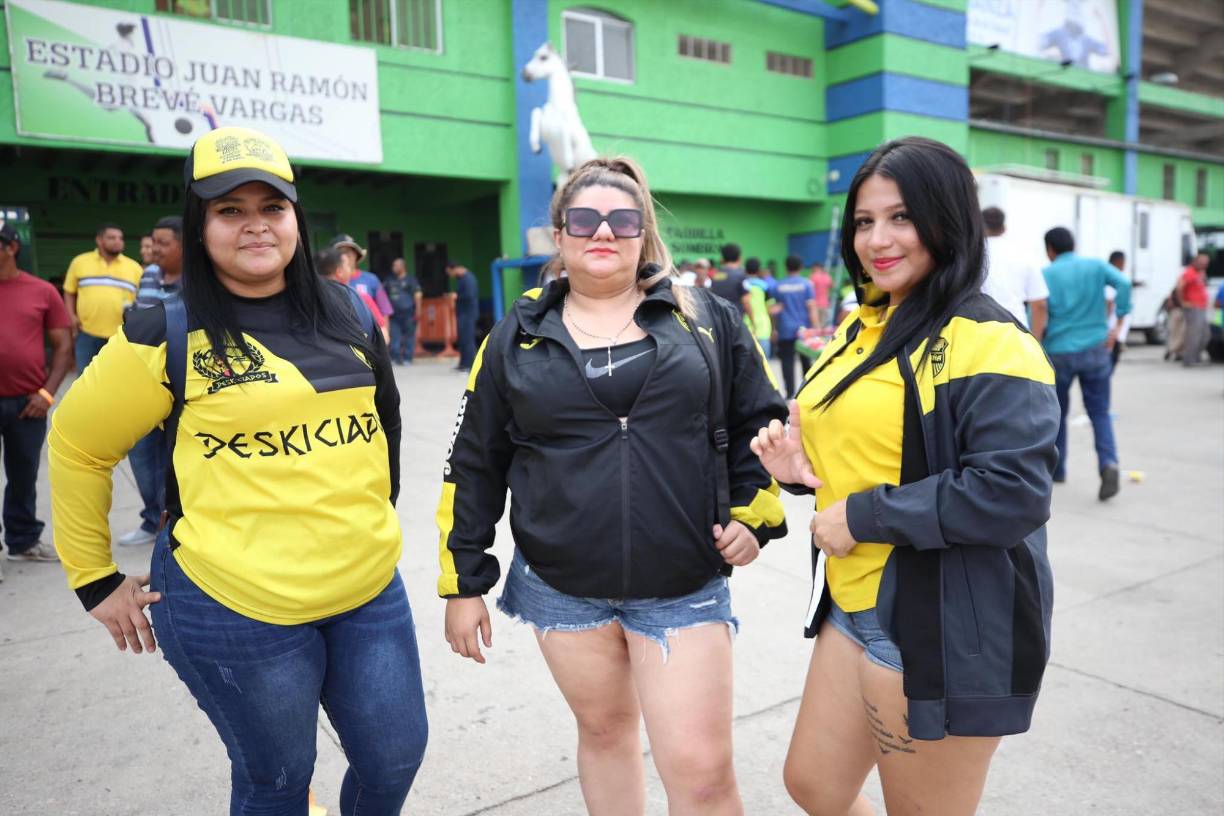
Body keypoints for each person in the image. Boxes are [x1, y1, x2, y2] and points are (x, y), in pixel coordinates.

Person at [48, 126, 427, 814]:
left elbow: (386, 420)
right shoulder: (163, 330)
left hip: (367, 588)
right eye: (230, 210)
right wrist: (93, 578)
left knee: (394, 758)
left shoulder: (346, 308)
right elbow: (77, 444)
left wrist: (367, 516)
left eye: (272, 207)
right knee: (278, 781)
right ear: (200, 225)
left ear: (296, 219)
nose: (256, 225)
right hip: (234, 607)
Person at [439, 155, 788, 816]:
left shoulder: (705, 318)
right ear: (560, 234)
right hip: (561, 588)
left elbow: (763, 422)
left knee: (703, 775)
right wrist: (463, 581)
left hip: (682, 584)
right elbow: (473, 463)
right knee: (604, 735)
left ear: (643, 233)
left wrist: (754, 514)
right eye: (585, 219)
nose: (603, 232)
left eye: (623, 220)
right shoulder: (514, 337)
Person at [750, 136, 1059, 816]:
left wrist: (863, 516)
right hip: (853, 604)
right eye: (864, 221)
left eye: (901, 217)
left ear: (947, 219)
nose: (877, 240)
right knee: (814, 786)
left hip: (941, 618)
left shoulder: (990, 339)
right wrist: (802, 471)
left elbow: (1012, 492)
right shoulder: (862, 325)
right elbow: (871, 451)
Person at [0, 224, 72, 577]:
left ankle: (23, 540)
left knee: (23, 474)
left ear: (11, 247)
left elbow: (63, 346)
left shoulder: (42, 291)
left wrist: (47, 393)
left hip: (27, 404)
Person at [1041, 226, 1132, 500]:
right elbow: (1124, 284)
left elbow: (1038, 310)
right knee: (1100, 412)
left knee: (1057, 413)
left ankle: (1057, 469)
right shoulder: (1095, 266)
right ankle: (1108, 463)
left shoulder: (1046, 274)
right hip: (1096, 349)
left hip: (1058, 351)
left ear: (1050, 250)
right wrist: (1119, 320)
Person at [115, 216, 186, 548]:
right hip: (141, 382)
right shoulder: (148, 275)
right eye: (153, 242)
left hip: (179, 386)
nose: (154, 249)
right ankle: (151, 519)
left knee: (175, 460)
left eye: (163, 243)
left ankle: (173, 523)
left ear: (184, 245)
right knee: (142, 456)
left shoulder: (201, 283)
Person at [63, 222, 143, 373]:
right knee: (85, 379)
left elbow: (143, 300)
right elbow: (69, 291)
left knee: (117, 379)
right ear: (99, 240)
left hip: (121, 336)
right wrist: (71, 316)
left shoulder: (134, 268)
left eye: (120, 238)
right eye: (112, 238)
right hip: (86, 333)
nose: (118, 241)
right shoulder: (80, 262)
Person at [980, 206, 1048, 339]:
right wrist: (1036, 341)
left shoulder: (970, 254)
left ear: (980, 226)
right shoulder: (1024, 254)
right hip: (1017, 332)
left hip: (980, 332)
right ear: (1004, 228)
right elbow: (1040, 304)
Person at [774, 255, 819, 396]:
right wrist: (816, 328)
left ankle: (790, 393)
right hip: (803, 330)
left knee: (787, 361)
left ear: (786, 267)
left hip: (785, 328)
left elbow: (777, 309)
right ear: (801, 267)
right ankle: (806, 392)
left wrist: (774, 329)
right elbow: (811, 307)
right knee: (806, 361)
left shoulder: (779, 285)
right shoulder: (807, 284)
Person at [331, 233, 394, 320]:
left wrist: (384, 328)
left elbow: (384, 311)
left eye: (348, 252)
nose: (345, 256)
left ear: (356, 255)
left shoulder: (371, 279)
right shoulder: (330, 281)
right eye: (340, 252)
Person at [386, 257, 422, 364]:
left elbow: (418, 295)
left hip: (408, 313)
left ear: (402, 267)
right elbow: (382, 294)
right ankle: (395, 357)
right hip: (394, 314)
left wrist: (418, 310)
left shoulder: (411, 280)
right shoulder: (390, 280)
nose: (393, 268)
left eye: (395, 265)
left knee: (409, 336)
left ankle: (407, 358)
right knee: (394, 336)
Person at [1177, 252, 1211, 367]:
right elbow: (1180, 287)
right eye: (1202, 263)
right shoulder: (1189, 272)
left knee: (1205, 334)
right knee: (1193, 334)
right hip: (1193, 307)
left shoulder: (1201, 273)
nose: (1204, 265)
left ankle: (1196, 356)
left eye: (1206, 263)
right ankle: (1189, 359)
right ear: (1196, 262)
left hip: (1202, 307)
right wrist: (1183, 302)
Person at [448, 261, 479, 370]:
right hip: (462, 313)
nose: (450, 275)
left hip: (469, 313)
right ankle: (463, 364)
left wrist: (456, 296)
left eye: (450, 272)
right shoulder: (460, 279)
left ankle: (471, 365)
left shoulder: (469, 278)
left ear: (455, 269)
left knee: (468, 339)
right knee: (462, 339)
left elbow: (470, 295)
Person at [744, 257, 776, 358]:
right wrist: (774, 329)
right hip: (763, 327)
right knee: (764, 362)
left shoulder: (742, 285)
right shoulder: (765, 286)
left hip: (745, 327)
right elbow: (771, 309)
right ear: (758, 270)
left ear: (745, 269)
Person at [1105, 250, 1131, 373]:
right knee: (1108, 366)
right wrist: (1117, 328)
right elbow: (1108, 304)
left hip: (1113, 331)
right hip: (1112, 332)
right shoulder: (1114, 281)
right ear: (1119, 262)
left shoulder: (1111, 279)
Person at [709, 242, 751, 315]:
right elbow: (746, 300)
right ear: (739, 258)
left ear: (723, 258)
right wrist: (753, 320)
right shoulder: (742, 276)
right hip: (735, 317)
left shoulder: (715, 276)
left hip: (719, 317)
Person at [809, 262, 833, 329]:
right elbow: (832, 285)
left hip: (815, 305)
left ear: (816, 268)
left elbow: (809, 289)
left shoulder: (813, 277)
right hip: (825, 304)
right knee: (823, 325)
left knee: (815, 326)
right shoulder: (827, 276)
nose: (812, 269)